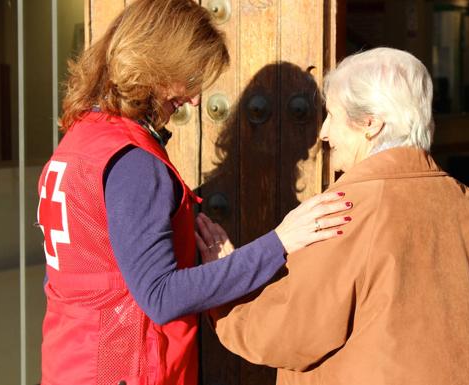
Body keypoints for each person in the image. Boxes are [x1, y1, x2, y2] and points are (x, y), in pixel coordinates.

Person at [35, 1, 352, 384]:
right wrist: (279, 242)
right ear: (157, 63)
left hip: (73, 361)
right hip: (125, 367)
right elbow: (161, 296)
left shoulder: (82, 138)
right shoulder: (134, 162)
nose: (196, 98)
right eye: (190, 76)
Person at [202, 47, 469, 385]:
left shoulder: (344, 210)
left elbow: (289, 330)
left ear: (371, 124)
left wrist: (227, 283)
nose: (324, 133)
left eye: (332, 115)